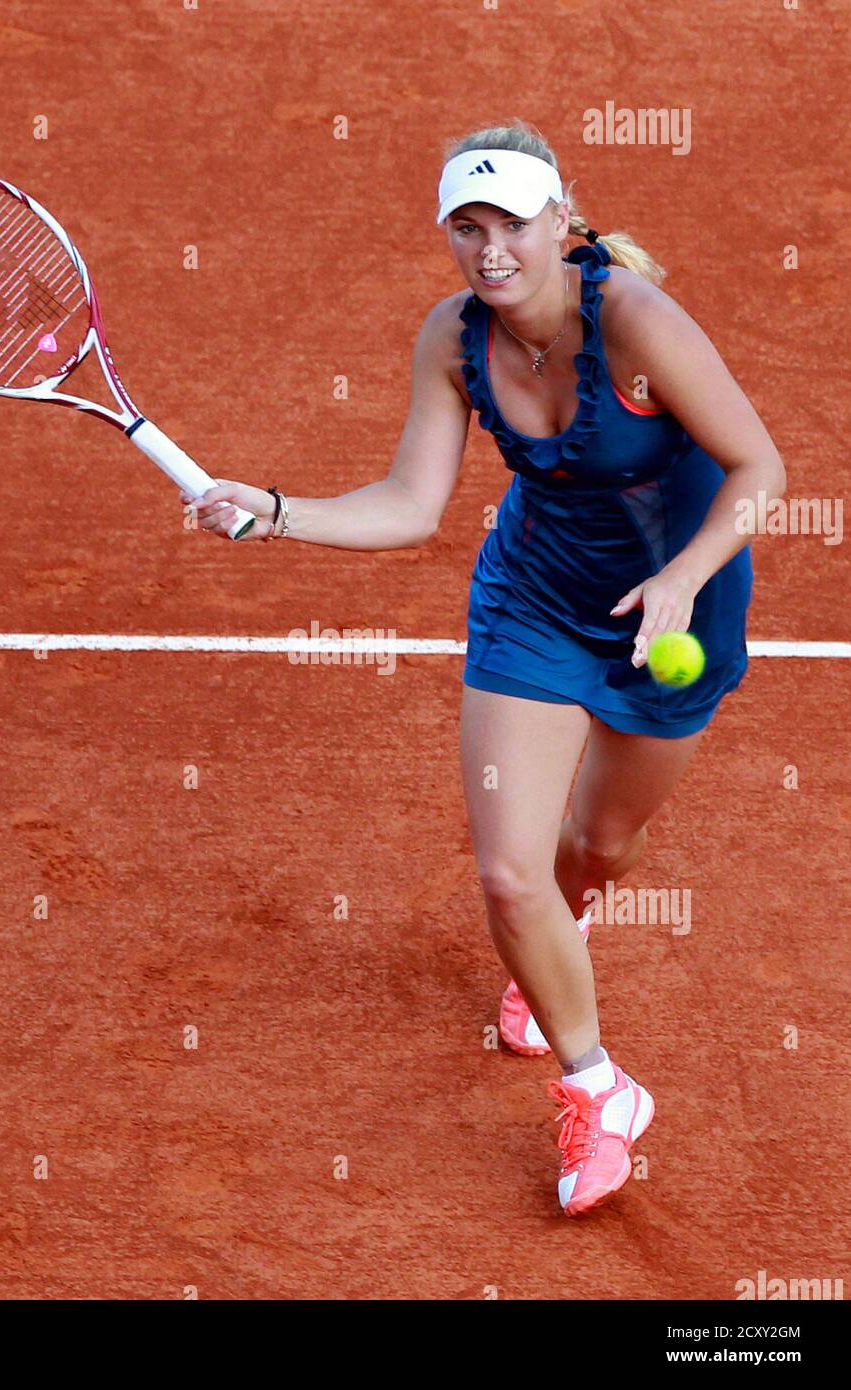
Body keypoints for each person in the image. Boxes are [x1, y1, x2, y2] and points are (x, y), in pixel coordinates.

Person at [180, 121, 786, 1217]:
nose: (491, 246)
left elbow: (760, 464)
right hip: (538, 604)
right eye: (469, 225)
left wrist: (687, 577)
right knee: (510, 875)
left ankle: (561, 932)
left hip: (676, 608)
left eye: (512, 220)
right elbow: (412, 504)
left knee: (598, 849)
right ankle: (599, 1086)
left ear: (563, 219)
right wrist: (273, 513)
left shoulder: (638, 323)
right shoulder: (454, 341)